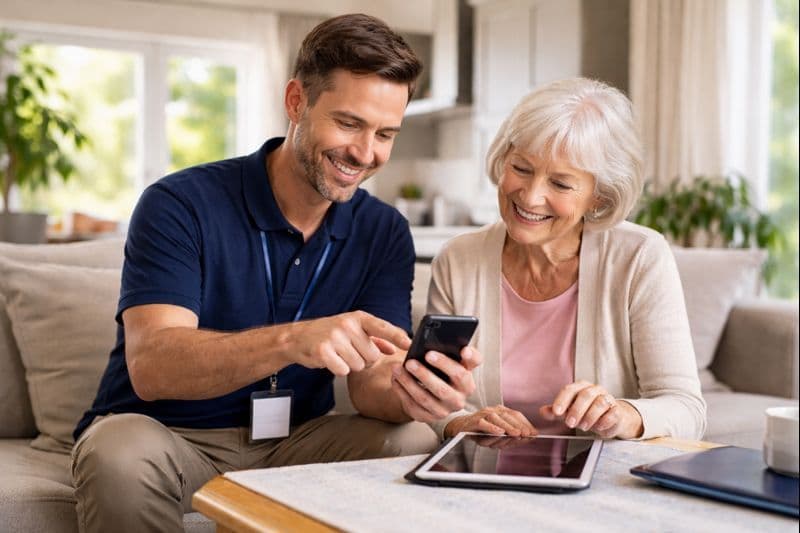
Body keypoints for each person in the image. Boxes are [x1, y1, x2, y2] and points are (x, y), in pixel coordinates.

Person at [71, 14, 480, 532]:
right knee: (117, 452)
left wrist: (414, 390)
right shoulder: (179, 203)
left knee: (412, 439)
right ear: (296, 101)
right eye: (350, 123)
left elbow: (370, 384)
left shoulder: (383, 231)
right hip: (168, 436)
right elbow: (154, 367)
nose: (365, 152)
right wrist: (292, 341)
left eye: (385, 134)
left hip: (297, 441)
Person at [399, 77, 706, 443]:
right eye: (522, 169)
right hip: (488, 469)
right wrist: (461, 423)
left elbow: (686, 408)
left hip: (603, 477)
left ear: (598, 197)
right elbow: (435, 396)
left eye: (560, 184)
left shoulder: (640, 257)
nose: (530, 197)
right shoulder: (459, 259)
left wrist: (625, 415)